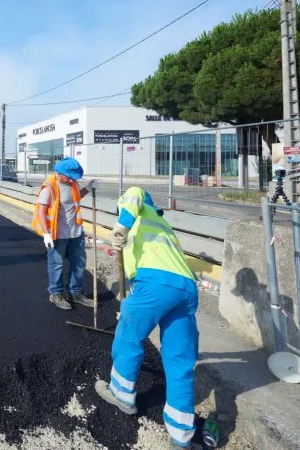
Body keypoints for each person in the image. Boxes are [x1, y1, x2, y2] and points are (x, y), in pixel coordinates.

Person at [95, 187, 199, 448]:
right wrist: (132, 300)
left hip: (154, 285)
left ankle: (121, 394)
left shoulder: (136, 213)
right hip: (185, 290)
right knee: (180, 360)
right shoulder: (161, 224)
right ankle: (181, 434)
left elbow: (135, 192)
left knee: (128, 338)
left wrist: (121, 225)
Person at [31, 157, 96, 310]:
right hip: (57, 233)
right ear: (59, 173)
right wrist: (46, 234)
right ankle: (56, 293)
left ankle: (76, 293)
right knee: (57, 264)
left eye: (73, 177)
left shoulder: (72, 183)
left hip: (75, 231)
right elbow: (41, 212)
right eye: (69, 176)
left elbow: (75, 198)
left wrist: (88, 187)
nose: (71, 180)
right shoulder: (49, 187)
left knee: (79, 264)